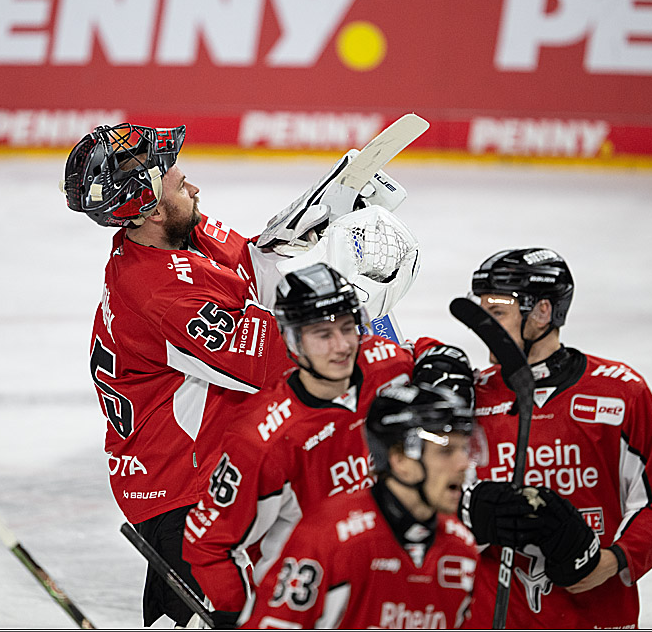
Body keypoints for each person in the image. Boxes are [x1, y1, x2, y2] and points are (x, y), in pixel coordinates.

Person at [62, 123, 422, 626]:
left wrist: (327, 204)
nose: (193, 187)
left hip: (207, 469)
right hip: (184, 495)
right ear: (149, 207)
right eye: (178, 181)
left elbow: (254, 264)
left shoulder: (176, 237)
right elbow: (283, 355)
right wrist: (355, 287)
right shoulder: (158, 291)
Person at [182, 263, 473, 623]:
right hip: (309, 603)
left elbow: (420, 353)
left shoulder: (386, 365)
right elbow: (209, 543)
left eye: (348, 328)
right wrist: (238, 613)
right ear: (293, 340)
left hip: (393, 584)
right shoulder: (260, 438)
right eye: (323, 334)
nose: (342, 347)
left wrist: (441, 357)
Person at [459, 248, 652, 629]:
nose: (484, 325)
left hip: (594, 616)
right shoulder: (471, 396)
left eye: (497, 313)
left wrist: (610, 563)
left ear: (542, 312)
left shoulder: (620, 393)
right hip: (493, 617)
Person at [238, 382, 482, 629]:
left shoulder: (461, 548)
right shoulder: (328, 538)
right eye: (447, 451)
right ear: (400, 459)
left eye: (464, 449)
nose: (464, 463)